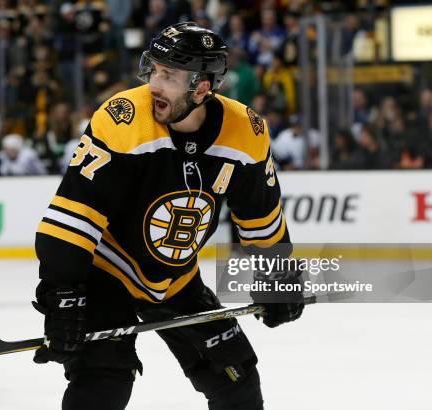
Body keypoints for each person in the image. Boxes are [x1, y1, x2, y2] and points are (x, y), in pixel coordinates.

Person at [32, 22, 304, 410]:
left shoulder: (247, 131)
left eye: (169, 76)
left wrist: (276, 275)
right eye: (154, 69)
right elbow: (73, 216)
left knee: (236, 378)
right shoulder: (124, 117)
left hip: (177, 279)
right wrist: (62, 294)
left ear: (202, 88)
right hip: (108, 272)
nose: (154, 84)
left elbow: (261, 217)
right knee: (105, 380)